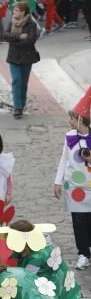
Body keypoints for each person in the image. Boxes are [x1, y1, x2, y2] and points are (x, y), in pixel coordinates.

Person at [54, 92, 91, 270]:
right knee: (78, 221)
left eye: (72, 118)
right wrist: (58, 181)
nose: (70, 121)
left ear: (81, 120)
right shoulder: (70, 136)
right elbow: (64, 159)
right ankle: (83, 252)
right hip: (75, 188)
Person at [4, 1, 40, 119]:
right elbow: (5, 35)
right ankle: (17, 107)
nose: (14, 12)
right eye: (14, 10)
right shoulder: (11, 22)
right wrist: (19, 37)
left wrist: (14, 41)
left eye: (16, 10)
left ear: (23, 12)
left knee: (23, 82)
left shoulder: (31, 24)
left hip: (27, 57)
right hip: (13, 57)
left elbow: (30, 40)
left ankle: (22, 103)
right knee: (16, 80)